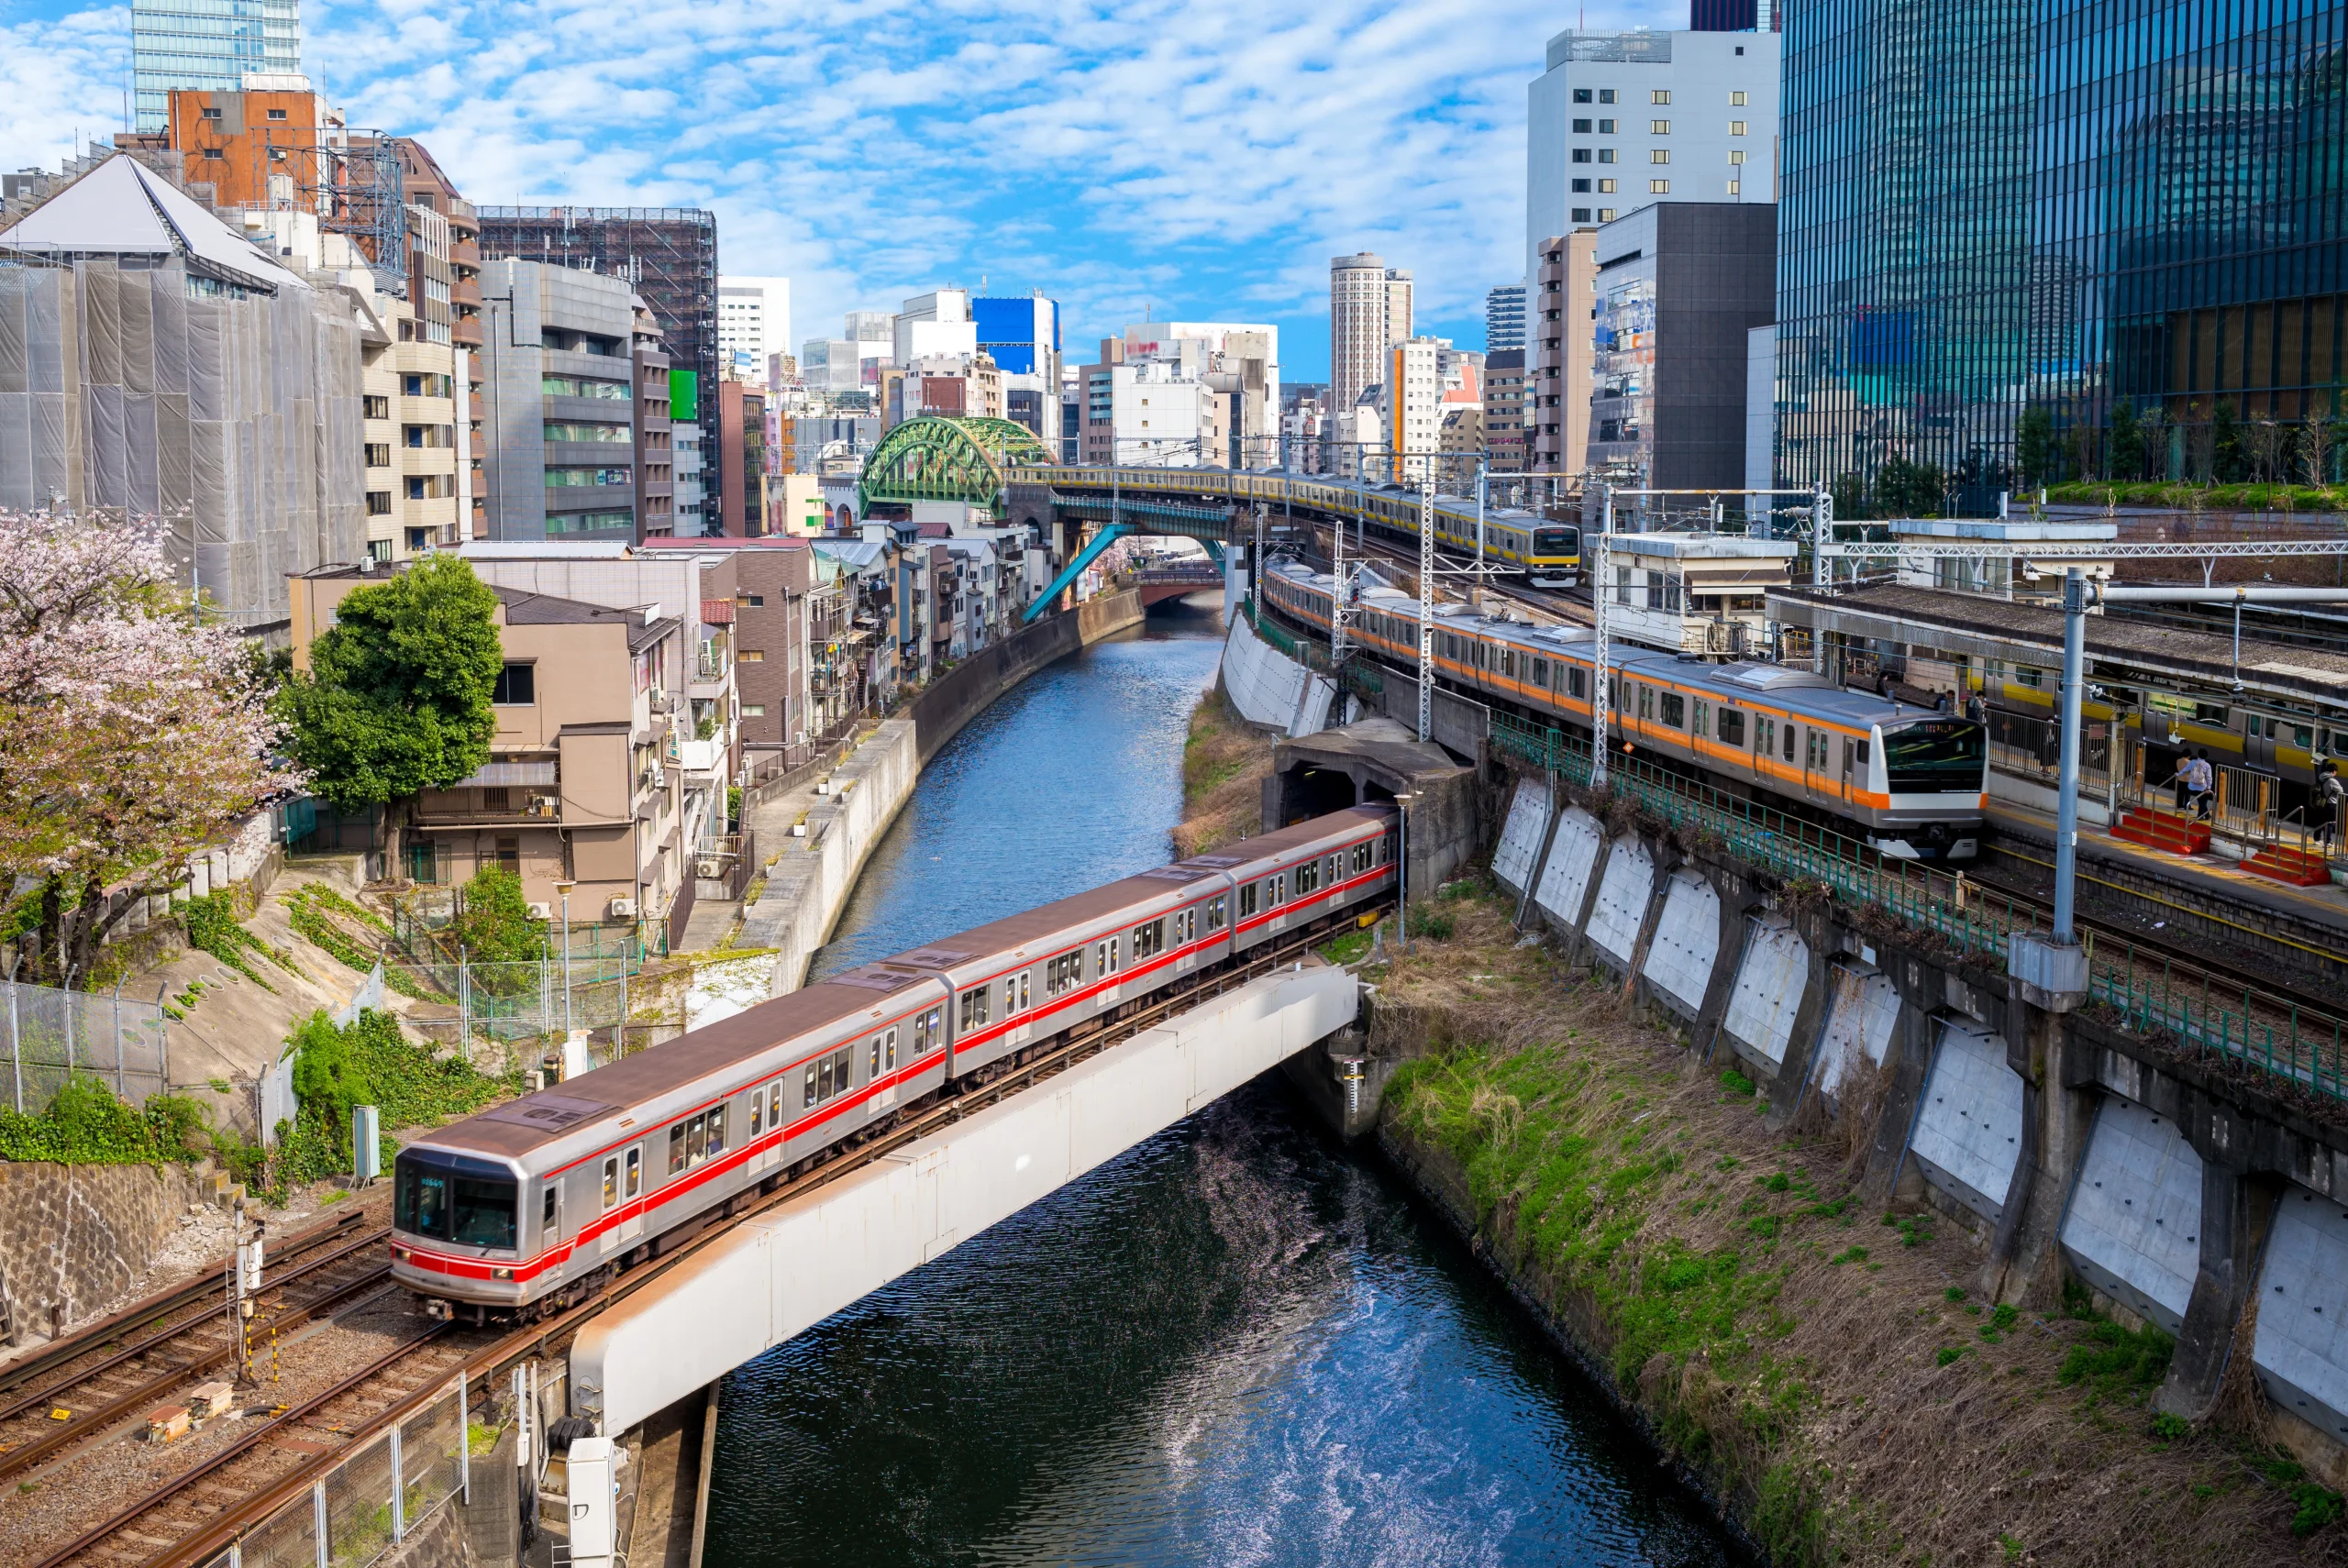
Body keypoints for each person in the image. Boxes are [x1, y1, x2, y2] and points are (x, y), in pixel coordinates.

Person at [2318, 761, 2343, 849]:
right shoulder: (2332, 780)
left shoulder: (2321, 776)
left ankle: (2316, 839)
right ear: (2333, 771)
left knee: (2321, 821)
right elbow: (2341, 791)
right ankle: (2327, 842)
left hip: (2322, 802)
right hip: (2331, 803)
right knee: (2330, 823)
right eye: (2335, 772)